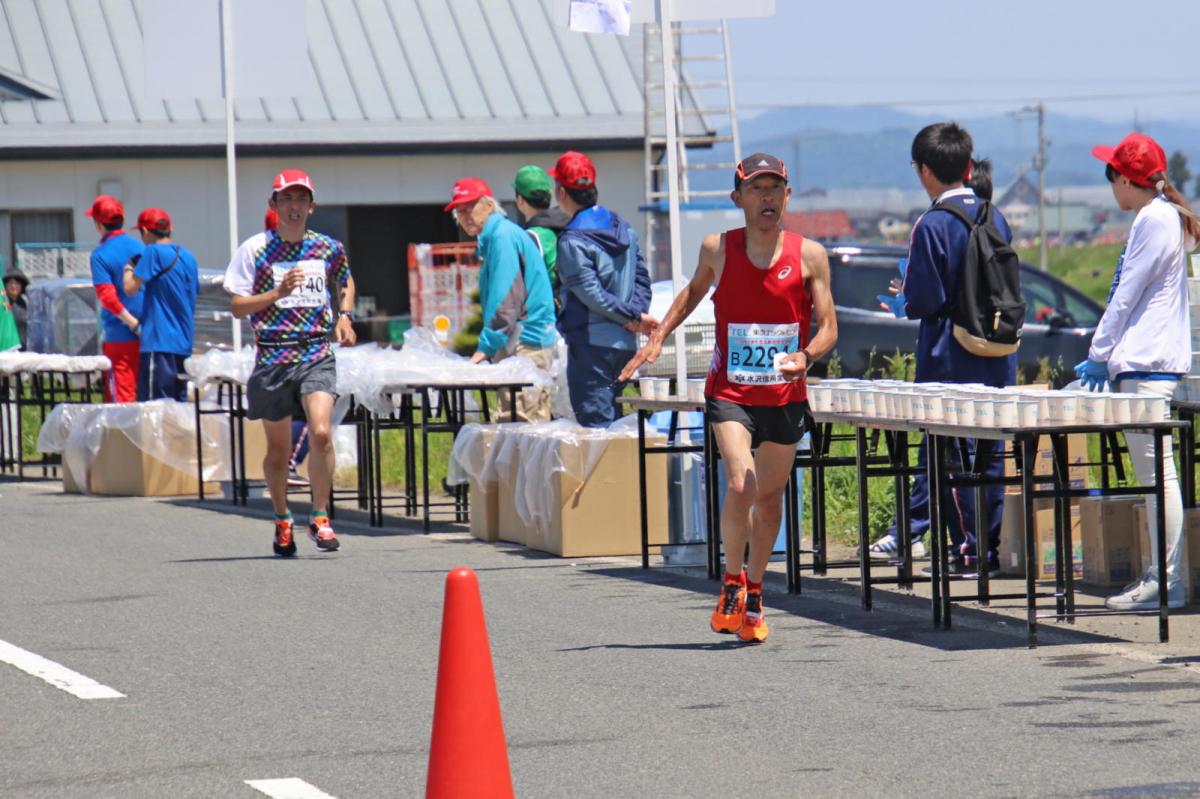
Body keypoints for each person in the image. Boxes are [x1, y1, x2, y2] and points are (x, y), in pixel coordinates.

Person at [620, 153, 838, 642]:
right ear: (737, 197)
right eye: (756, 189)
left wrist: (807, 355)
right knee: (741, 484)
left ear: (787, 195)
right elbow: (693, 293)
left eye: (774, 189)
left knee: (770, 499)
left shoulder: (809, 255)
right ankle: (732, 581)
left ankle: (757, 591)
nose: (766, 198)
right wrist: (659, 337)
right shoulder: (719, 248)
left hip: (784, 393)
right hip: (731, 391)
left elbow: (828, 327)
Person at [868, 124, 1015, 578]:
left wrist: (904, 299)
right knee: (990, 456)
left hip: (948, 357)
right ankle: (987, 550)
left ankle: (967, 553)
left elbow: (925, 299)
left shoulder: (932, 224)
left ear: (925, 171)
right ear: (968, 166)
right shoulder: (995, 215)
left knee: (948, 459)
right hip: (997, 351)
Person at [1077, 132, 1200, 610]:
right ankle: (1164, 578)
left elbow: (1125, 295)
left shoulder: (1153, 219)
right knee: (1159, 477)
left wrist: (1099, 351)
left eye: (1113, 178)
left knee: (1158, 479)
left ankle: (1166, 579)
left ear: (1127, 179)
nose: (1112, 189)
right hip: (1151, 363)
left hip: (1145, 364)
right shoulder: (1169, 218)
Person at [224, 169, 357, 557]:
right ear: (274, 205)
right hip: (273, 354)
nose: (294, 206)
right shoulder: (255, 250)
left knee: (320, 433)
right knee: (278, 450)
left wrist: (346, 316)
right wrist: (277, 292)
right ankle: (283, 519)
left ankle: (319, 516)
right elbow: (236, 306)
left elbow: (346, 280)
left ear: (311, 206)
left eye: (301, 199)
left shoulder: (328, 248)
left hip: (316, 351)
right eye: (287, 199)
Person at [553, 151, 656, 427]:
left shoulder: (572, 240)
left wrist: (632, 318)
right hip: (624, 344)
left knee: (598, 430)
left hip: (590, 346)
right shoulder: (624, 228)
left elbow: (591, 293)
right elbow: (642, 279)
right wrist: (635, 316)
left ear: (561, 192)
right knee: (615, 426)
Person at [445, 177, 557, 422]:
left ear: (489, 204)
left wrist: (486, 346)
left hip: (526, 343)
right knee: (522, 427)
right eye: (458, 211)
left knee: (522, 426)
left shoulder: (501, 237)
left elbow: (505, 299)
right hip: (523, 341)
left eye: (469, 208)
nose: (463, 216)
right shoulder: (497, 236)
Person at [121, 208, 199, 401]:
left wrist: (129, 267)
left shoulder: (153, 253)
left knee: (153, 410)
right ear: (170, 228)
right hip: (184, 345)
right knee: (178, 409)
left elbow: (129, 287)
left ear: (146, 232)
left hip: (159, 344)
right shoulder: (189, 257)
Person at [87, 195, 144, 402]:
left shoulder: (99, 255)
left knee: (121, 401)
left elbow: (108, 298)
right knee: (147, 399)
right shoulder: (142, 247)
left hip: (120, 337)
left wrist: (133, 324)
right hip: (149, 335)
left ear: (99, 224)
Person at [513, 165, 570, 291]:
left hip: (547, 305)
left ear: (520, 200)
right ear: (550, 195)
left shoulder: (531, 236)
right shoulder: (570, 223)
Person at [3, 269, 29, 349]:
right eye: (10, 283)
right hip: (6, 349)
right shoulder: (3, 303)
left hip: (24, 349)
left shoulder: (25, 304)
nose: (13, 286)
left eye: (17, 283)